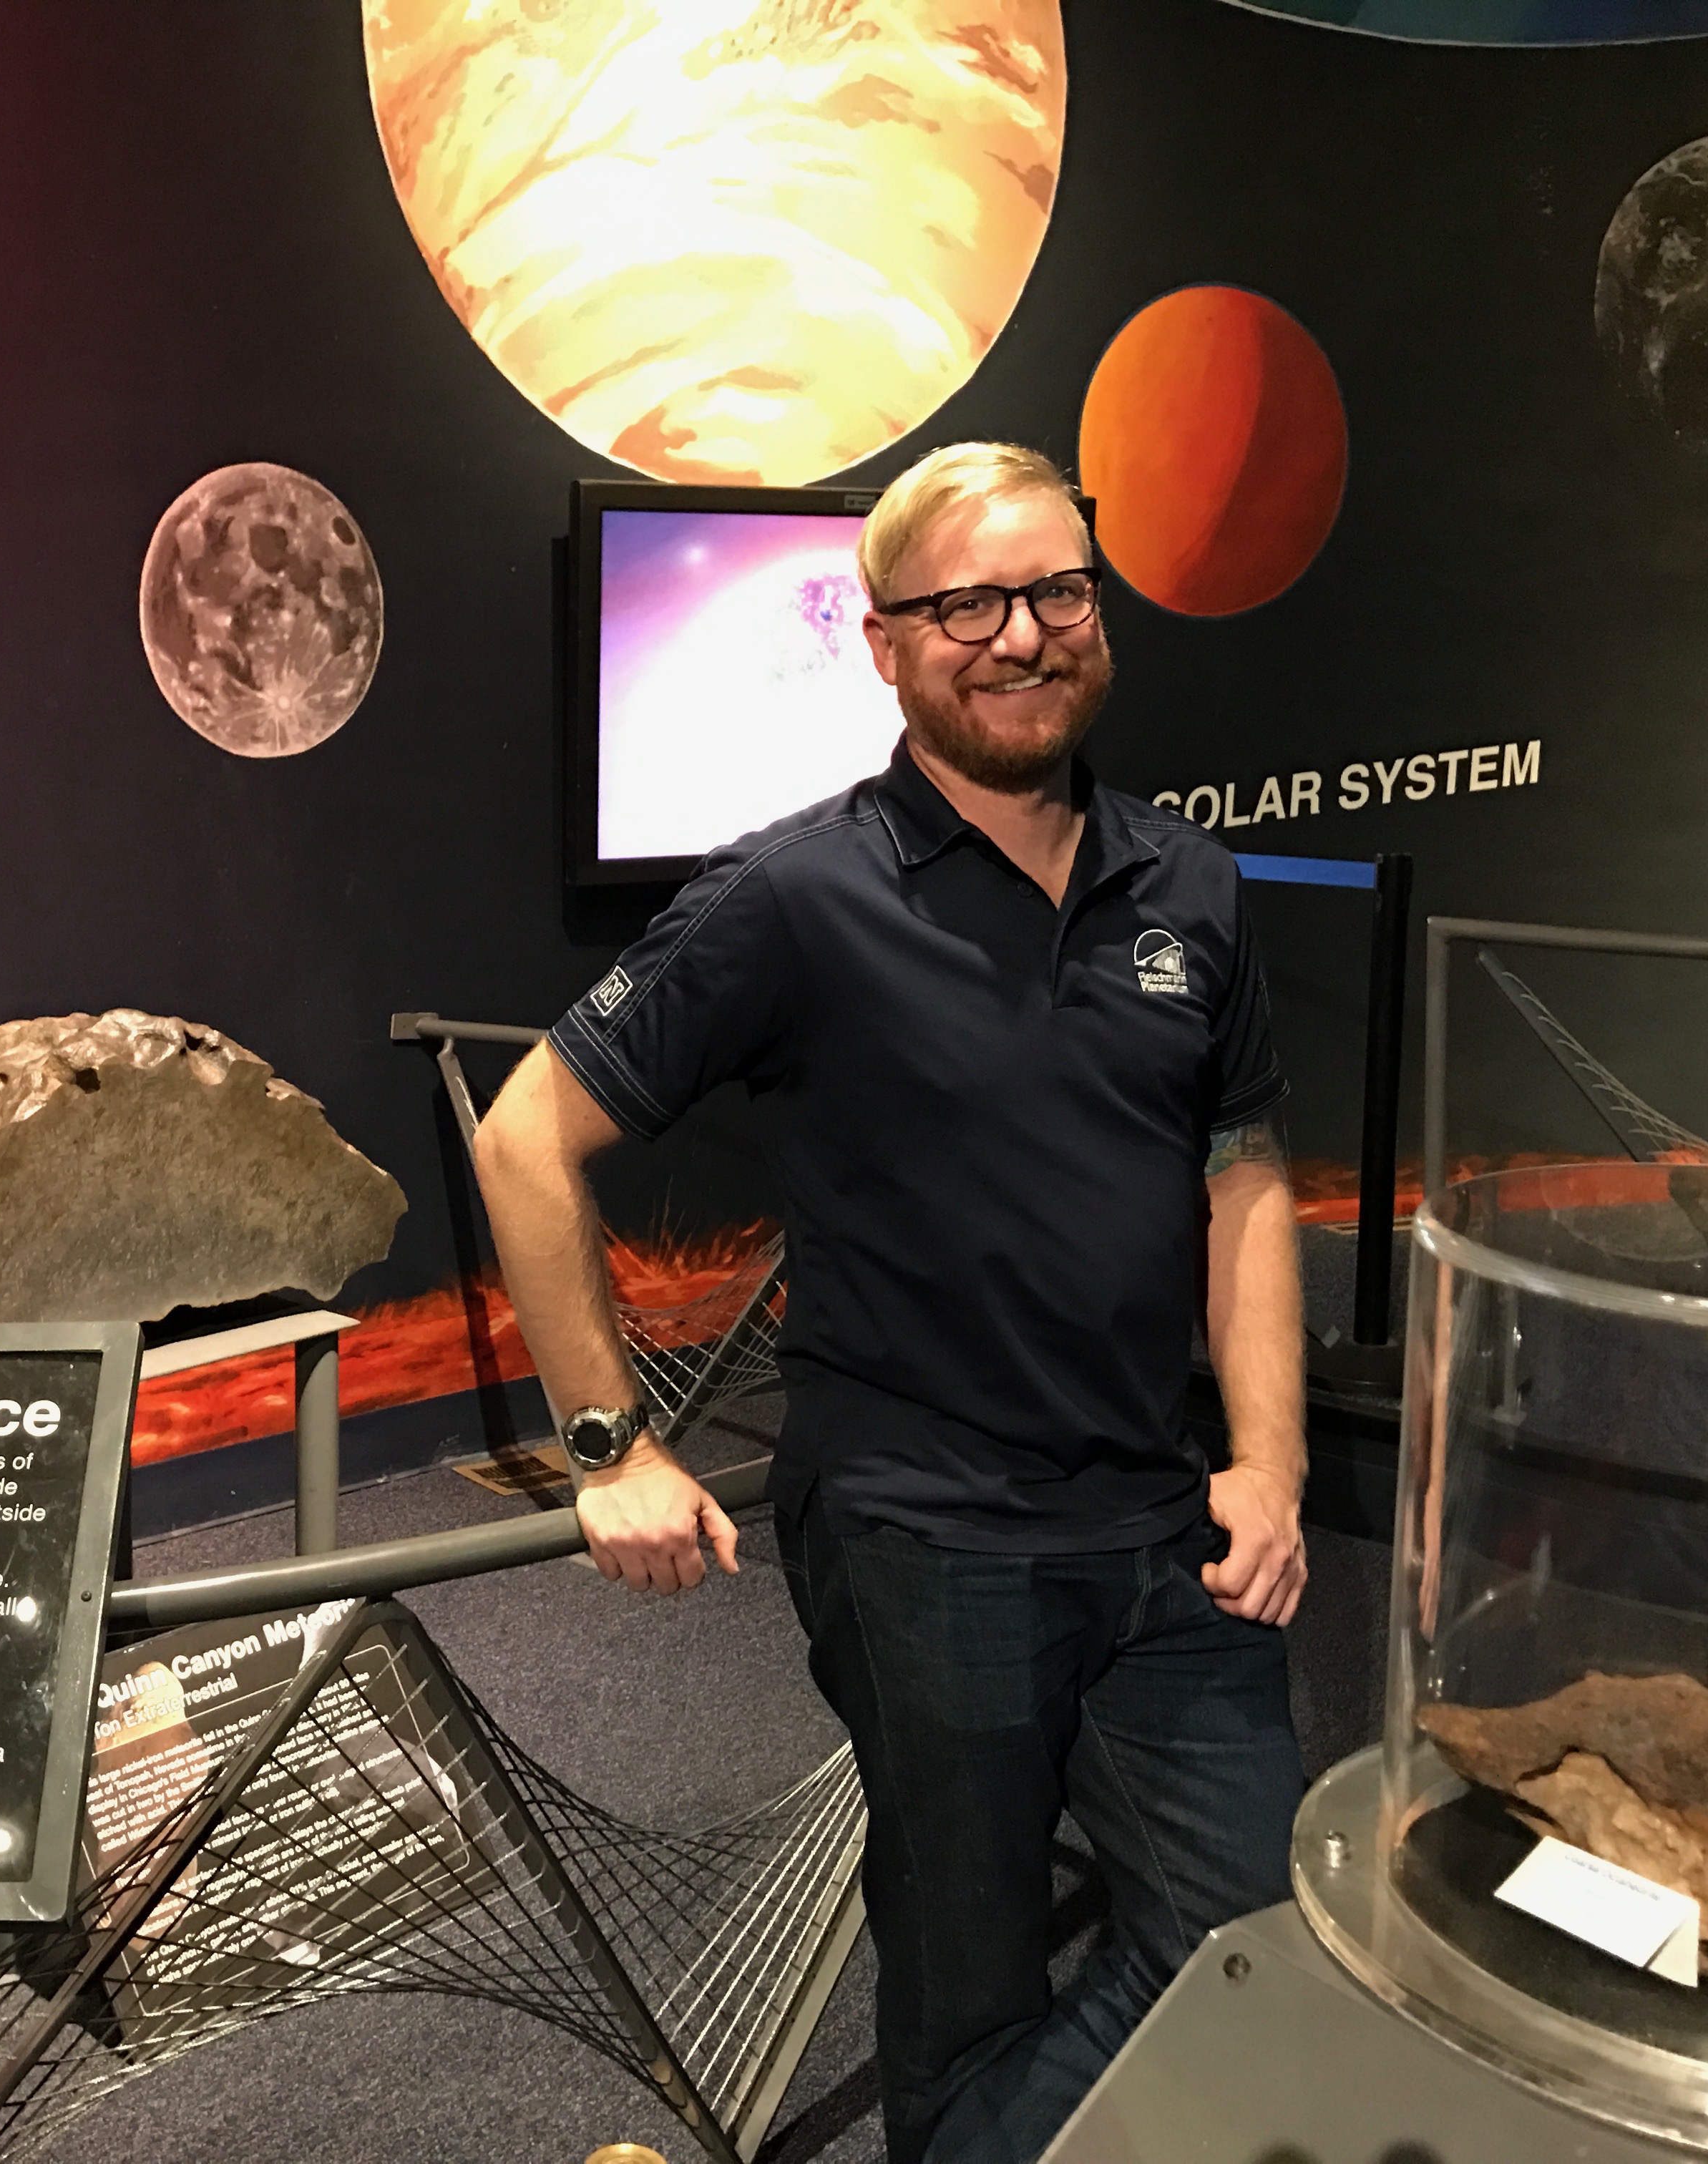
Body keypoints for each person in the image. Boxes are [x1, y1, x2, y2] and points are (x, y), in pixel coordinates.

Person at [471, 441, 1309, 2163]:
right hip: (929, 1543)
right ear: (885, 643)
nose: (1022, 634)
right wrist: (604, 1447)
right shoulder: (795, 895)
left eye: (1058, 590)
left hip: (1175, 1531)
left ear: (1101, 610)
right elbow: (527, 1135)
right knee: (969, 1979)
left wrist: (1274, 1464)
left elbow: (1246, 1179)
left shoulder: (1193, 887)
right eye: (968, 605)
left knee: (1259, 1947)